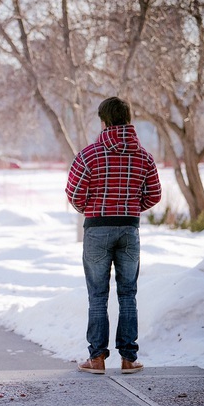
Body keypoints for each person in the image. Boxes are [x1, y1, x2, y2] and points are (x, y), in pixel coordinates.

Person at [65, 96, 161, 375]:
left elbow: (74, 193)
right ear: (128, 120)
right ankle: (129, 358)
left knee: (97, 295)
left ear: (104, 120)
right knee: (128, 294)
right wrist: (131, 208)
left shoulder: (89, 154)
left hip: (97, 229)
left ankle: (96, 358)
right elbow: (154, 194)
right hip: (129, 229)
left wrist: (91, 209)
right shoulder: (144, 156)